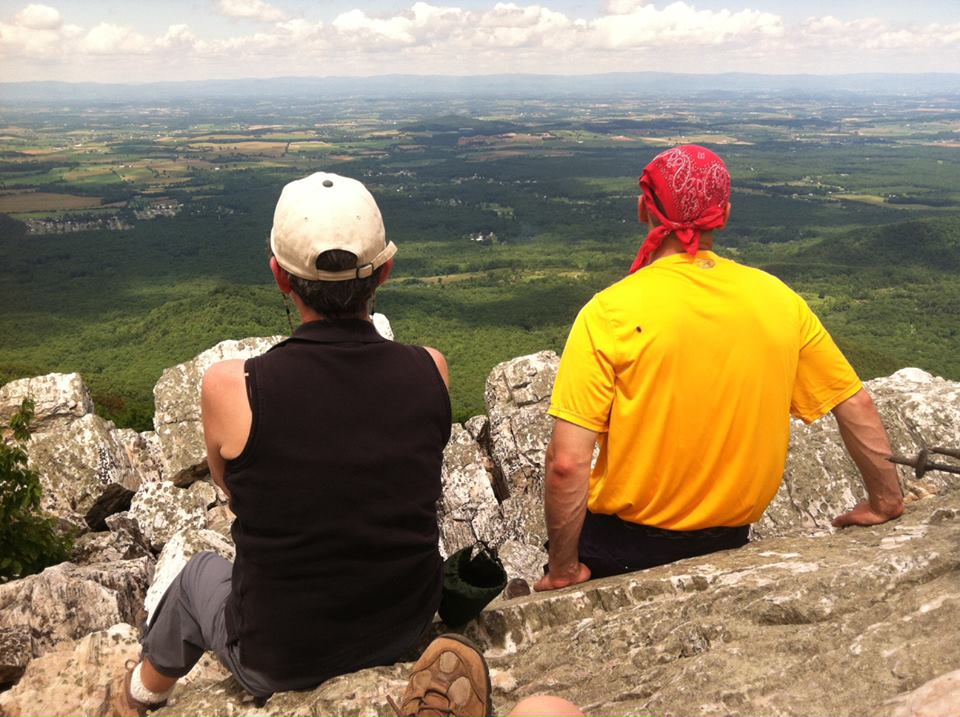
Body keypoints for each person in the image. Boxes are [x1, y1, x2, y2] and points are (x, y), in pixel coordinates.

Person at [110, 172, 453, 714]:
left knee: (199, 572)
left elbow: (231, 489)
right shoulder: (430, 368)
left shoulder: (231, 388)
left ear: (280, 278)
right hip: (404, 626)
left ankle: (139, 693)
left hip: (280, 655)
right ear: (385, 271)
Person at [534, 145, 905, 592]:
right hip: (732, 543)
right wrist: (885, 501)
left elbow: (567, 463)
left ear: (643, 208)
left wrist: (564, 571)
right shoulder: (778, 300)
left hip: (623, 548)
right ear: (723, 215)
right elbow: (855, 403)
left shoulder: (608, 312)